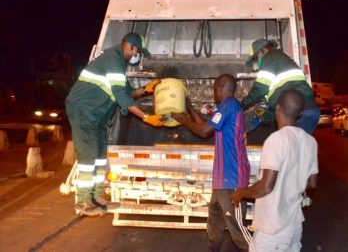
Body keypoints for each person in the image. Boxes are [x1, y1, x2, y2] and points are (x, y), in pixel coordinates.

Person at [66, 32, 164, 216]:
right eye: (139, 52)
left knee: (101, 155)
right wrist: (146, 117)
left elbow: (128, 94)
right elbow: (122, 99)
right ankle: (84, 201)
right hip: (84, 112)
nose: (138, 56)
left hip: (97, 117)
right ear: (130, 47)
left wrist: (147, 89)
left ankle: (98, 198)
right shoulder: (113, 60)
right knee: (88, 154)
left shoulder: (118, 65)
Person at [231, 89, 318, 252]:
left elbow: (265, 187)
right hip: (294, 225)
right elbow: (312, 183)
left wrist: (240, 193)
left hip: (272, 228)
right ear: (299, 114)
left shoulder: (276, 140)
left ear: (278, 109)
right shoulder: (310, 141)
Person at [172, 74, 250, 252]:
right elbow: (207, 126)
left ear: (222, 87)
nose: (214, 93)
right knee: (215, 221)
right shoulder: (228, 108)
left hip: (232, 179)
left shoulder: (228, 104)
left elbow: (204, 131)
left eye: (214, 89)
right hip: (222, 180)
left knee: (237, 229)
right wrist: (190, 109)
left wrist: (183, 119)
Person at [242, 39, 320, 134]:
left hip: (295, 113)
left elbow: (260, 89)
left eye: (255, 58)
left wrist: (241, 105)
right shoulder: (282, 58)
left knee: (289, 145)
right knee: (299, 146)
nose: (256, 64)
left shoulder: (270, 57)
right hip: (311, 110)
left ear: (262, 51)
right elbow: (275, 102)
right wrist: (265, 118)